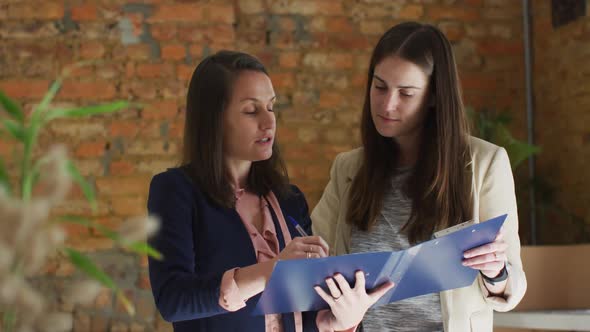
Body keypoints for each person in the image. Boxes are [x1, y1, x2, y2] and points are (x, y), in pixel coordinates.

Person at [146, 50, 387, 332]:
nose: (268, 121)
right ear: (213, 119)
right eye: (251, 110)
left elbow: (307, 317)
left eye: (271, 107)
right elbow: (173, 300)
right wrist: (271, 271)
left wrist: (341, 320)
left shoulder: (289, 200)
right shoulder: (176, 191)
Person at [311, 22, 527, 332]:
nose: (387, 105)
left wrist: (496, 271)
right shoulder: (348, 168)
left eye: (406, 93)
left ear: (434, 97)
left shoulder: (484, 164)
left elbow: (513, 285)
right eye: (379, 86)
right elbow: (314, 264)